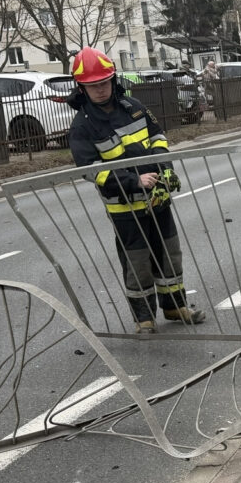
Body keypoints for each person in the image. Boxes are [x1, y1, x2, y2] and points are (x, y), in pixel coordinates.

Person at [67, 46, 205, 334]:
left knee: (169, 254)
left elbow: (158, 136)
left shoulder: (134, 107)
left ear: (113, 80)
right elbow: (90, 169)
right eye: (93, 86)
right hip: (125, 207)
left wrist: (165, 167)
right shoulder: (82, 125)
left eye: (104, 83)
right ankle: (144, 318)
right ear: (82, 88)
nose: (100, 90)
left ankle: (175, 306)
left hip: (158, 199)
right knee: (137, 262)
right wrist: (133, 181)